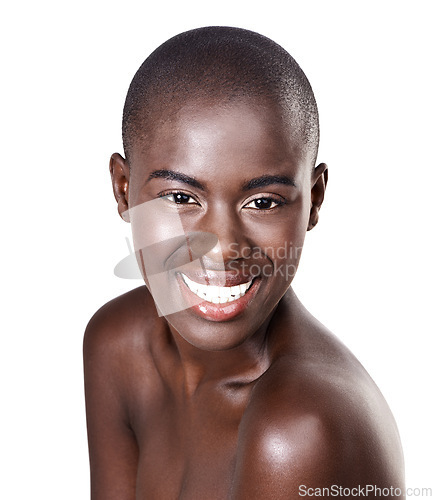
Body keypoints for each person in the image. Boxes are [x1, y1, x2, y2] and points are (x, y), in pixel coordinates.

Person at [83, 26, 405, 499]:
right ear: (123, 188)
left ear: (314, 200)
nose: (222, 249)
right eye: (180, 197)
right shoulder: (118, 344)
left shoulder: (298, 428)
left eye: (264, 202)